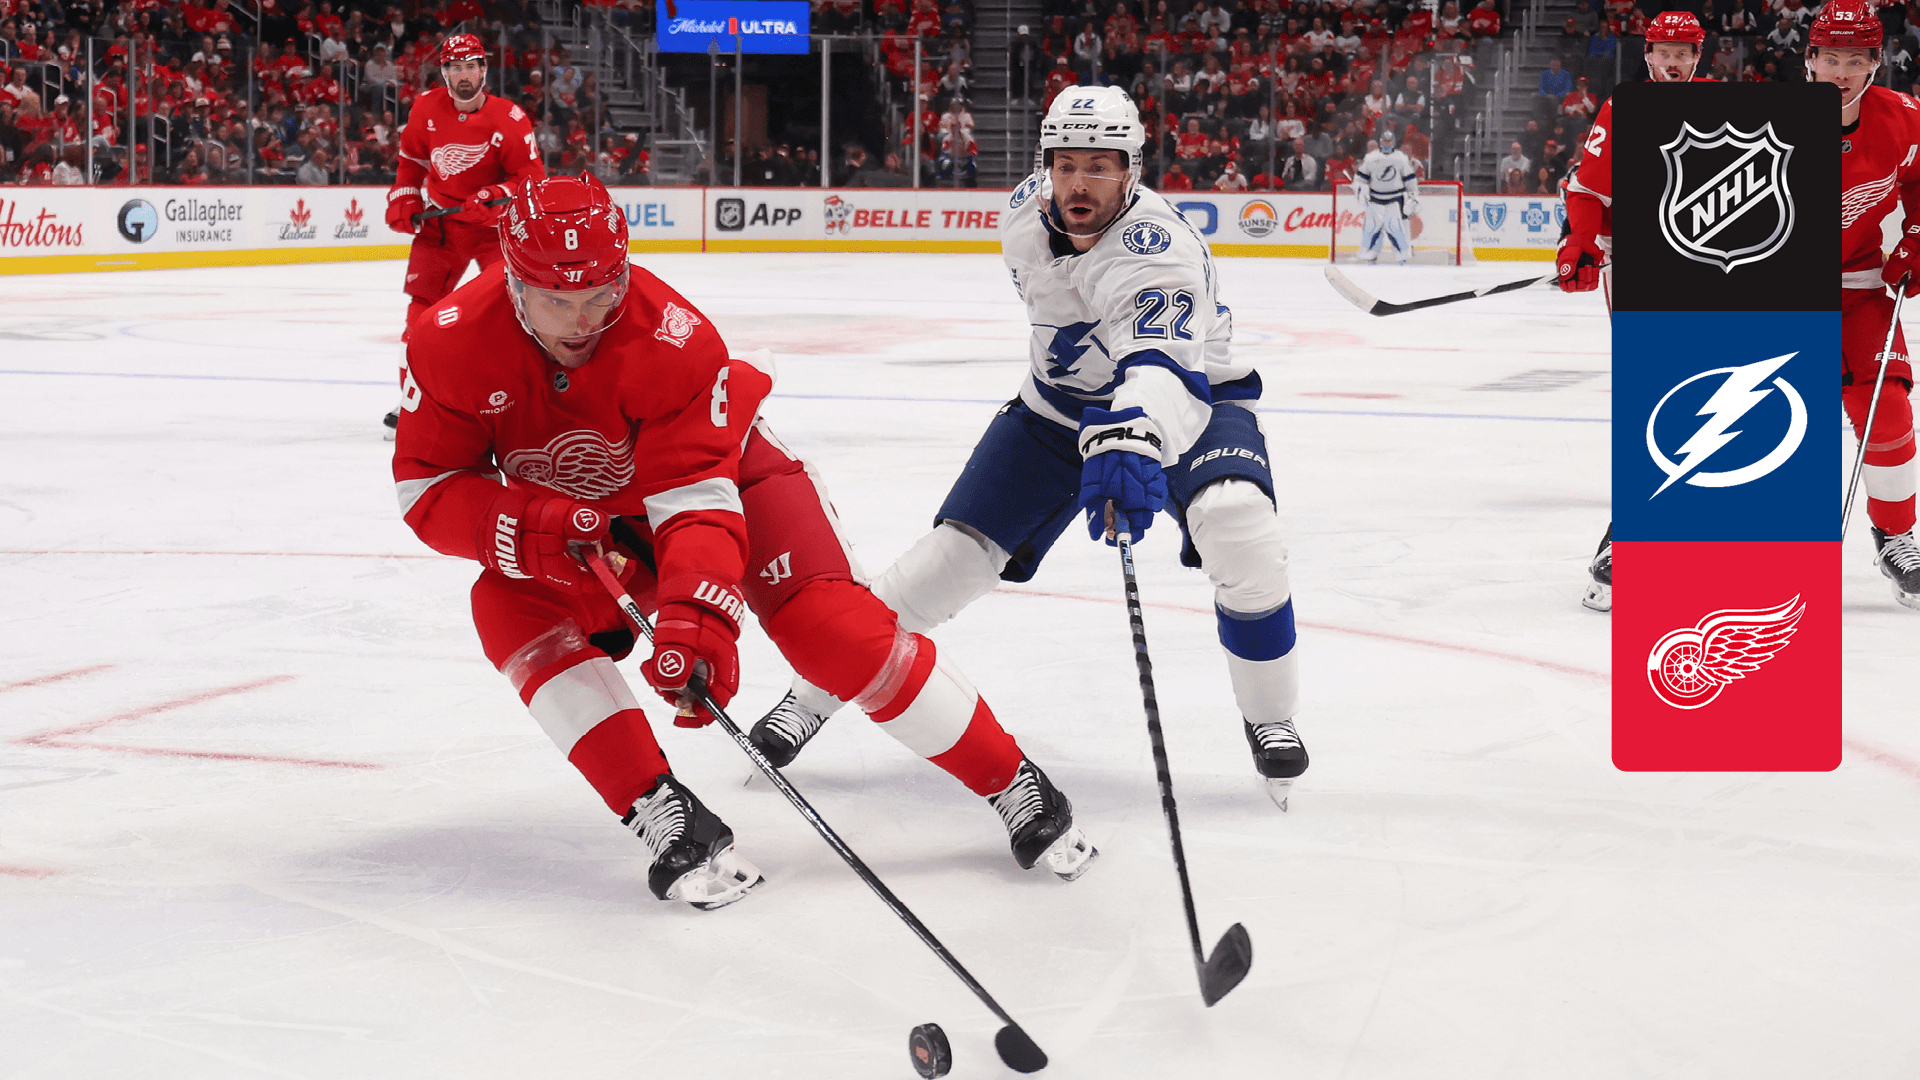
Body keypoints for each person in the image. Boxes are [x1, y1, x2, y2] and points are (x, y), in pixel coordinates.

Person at [391, 175, 1098, 911]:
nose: (583, 322)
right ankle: (660, 808)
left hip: (737, 483)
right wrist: (531, 526)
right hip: (594, 525)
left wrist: (696, 617)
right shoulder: (447, 342)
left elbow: (696, 500)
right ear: (513, 284)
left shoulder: (673, 337)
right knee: (507, 606)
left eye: (602, 294)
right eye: (556, 300)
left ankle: (1014, 781)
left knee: (833, 631)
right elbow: (427, 487)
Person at [748, 87, 1311, 811]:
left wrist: (1131, 435)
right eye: (1066, 165)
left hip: (1191, 400)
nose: (1079, 184)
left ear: (1132, 170)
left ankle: (1269, 713)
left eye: (1100, 167)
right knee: (945, 564)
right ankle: (813, 695)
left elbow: (1162, 370)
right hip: (1054, 410)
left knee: (1239, 525)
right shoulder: (1022, 212)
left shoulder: (1158, 251)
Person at [1557, 10, 1714, 612]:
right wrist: (1582, 242)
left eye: (1684, 52)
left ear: (1699, 57)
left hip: (1713, 267)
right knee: (1654, 393)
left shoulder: (1728, 105)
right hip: (1641, 267)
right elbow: (1587, 188)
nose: (1674, 61)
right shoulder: (1623, 107)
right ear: (1648, 55)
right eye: (1664, 51)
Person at [1807, 0, 1920, 607]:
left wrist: (1917, 237)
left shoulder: (1903, 118)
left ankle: (1897, 536)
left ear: (1876, 62)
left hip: (1858, 288)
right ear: (1810, 59)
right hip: (1763, 294)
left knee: (1888, 408)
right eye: (1831, 58)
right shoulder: (1758, 121)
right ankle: (1646, 532)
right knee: (1718, 416)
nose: (1842, 72)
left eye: (1856, 60)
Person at [381, 33, 546, 436]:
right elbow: (411, 162)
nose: (464, 75)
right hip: (442, 226)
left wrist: (494, 195)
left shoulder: (509, 119)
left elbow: (531, 180)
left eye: (471, 66)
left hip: (495, 230)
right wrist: (404, 197)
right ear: (444, 73)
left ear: (484, 70)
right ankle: (413, 402)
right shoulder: (426, 107)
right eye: (455, 68)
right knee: (420, 316)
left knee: (514, 312)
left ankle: (523, 400)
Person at [1353, 126, 1417, 264]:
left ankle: (1402, 257)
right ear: (1381, 141)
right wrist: (1361, 190)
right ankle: (1371, 255)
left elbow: (1410, 179)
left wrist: (1413, 197)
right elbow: (1360, 178)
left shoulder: (1400, 158)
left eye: (1389, 141)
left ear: (1393, 142)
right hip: (1376, 198)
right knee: (1373, 228)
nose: (1387, 143)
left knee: (1398, 228)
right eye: (1385, 141)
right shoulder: (1371, 158)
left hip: (1396, 198)